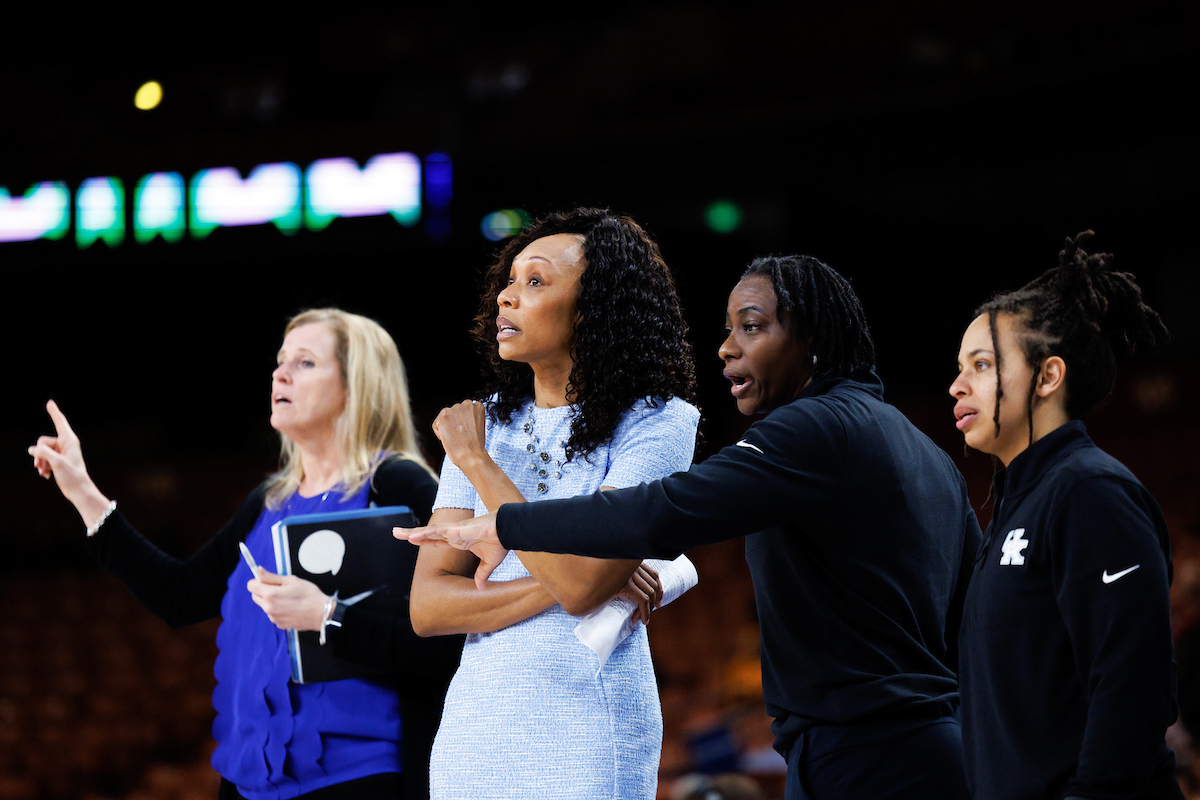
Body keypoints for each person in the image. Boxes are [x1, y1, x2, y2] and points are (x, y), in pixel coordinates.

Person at [399, 254, 982, 800]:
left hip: (861, 753)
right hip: (935, 743)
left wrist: (510, 521)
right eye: (728, 328)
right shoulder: (932, 457)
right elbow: (975, 619)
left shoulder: (812, 428)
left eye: (752, 327)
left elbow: (662, 510)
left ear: (811, 338)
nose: (727, 348)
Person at [28, 308, 462, 800]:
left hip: (358, 778)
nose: (279, 373)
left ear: (355, 386)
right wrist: (83, 491)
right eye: (280, 361)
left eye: (305, 363)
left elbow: (448, 637)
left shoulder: (401, 486)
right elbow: (179, 596)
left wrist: (327, 616)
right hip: (246, 784)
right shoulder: (267, 502)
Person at [409, 208, 701, 800]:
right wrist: (584, 578)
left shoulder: (659, 423)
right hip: (474, 733)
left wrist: (480, 466)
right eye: (509, 282)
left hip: (587, 729)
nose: (507, 299)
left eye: (535, 282)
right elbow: (430, 606)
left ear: (596, 308)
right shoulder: (482, 424)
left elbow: (582, 588)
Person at [947, 230, 1182, 799]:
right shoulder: (1017, 503)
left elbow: (1132, 687)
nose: (957, 385)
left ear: (1049, 377)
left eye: (981, 365)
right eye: (960, 366)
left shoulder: (1090, 492)